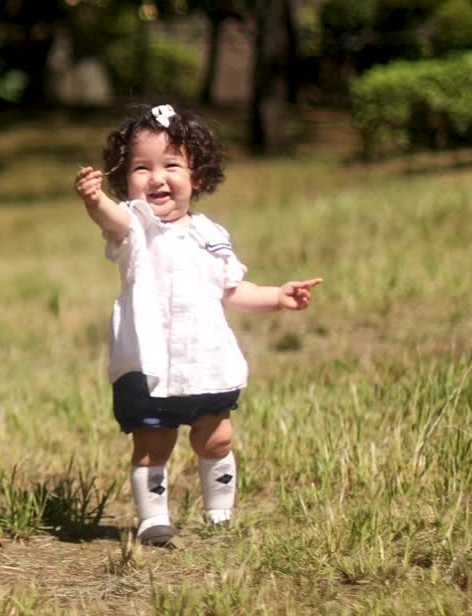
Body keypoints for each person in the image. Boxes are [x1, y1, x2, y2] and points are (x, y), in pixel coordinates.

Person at [74, 104, 322, 547]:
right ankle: (153, 520)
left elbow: (231, 289)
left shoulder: (210, 234)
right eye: (141, 168)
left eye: (171, 165)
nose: (156, 178)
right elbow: (112, 219)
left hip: (205, 360)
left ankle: (220, 513)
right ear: (125, 179)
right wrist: (96, 201)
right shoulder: (135, 227)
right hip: (150, 363)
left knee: (217, 438)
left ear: (198, 176)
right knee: (152, 444)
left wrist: (276, 297)